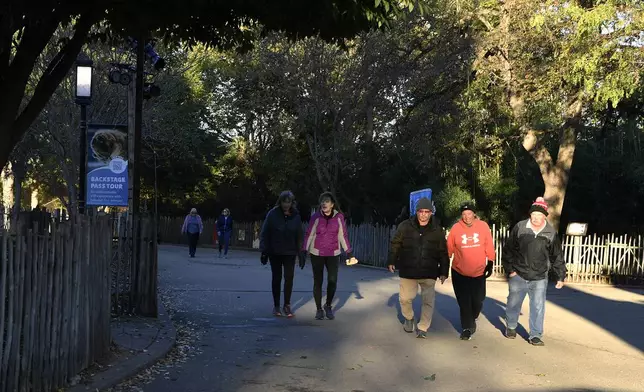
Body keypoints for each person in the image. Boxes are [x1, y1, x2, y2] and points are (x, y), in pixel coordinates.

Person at [502, 197, 566, 346]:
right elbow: (508, 250)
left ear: (545, 215)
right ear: (530, 214)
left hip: (539, 277)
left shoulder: (550, 232)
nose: (536, 218)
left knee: (538, 306)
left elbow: (557, 255)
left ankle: (535, 335)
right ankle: (511, 326)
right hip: (519, 273)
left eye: (539, 215)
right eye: (534, 214)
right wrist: (511, 270)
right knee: (513, 303)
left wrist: (560, 275)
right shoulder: (520, 227)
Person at [387, 197, 449, 339]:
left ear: (431, 213)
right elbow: (395, 244)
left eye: (427, 212)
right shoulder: (405, 226)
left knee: (428, 301)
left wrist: (444, 271)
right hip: (408, 270)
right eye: (421, 211)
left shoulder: (437, 230)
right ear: (417, 212)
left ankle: (423, 327)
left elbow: (443, 252)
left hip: (429, 271)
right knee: (404, 299)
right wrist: (391, 260)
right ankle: (409, 318)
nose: (424, 214)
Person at [447, 201, 496, 341]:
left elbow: (489, 244)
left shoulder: (483, 226)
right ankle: (467, 327)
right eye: (464, 214)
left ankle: (472, 316)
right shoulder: (456, 228)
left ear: (474, 214)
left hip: (478, 272)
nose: (467, 217)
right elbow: (449, 247)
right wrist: (444, 264)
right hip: (459, 271)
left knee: (478, 300)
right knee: (464, 302)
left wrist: (490, 262)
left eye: (469, 213)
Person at [302, 192, 354, 320]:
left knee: (332, 281)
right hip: (317, 253)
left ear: (332, 204)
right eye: (322, 201)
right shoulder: (316, 217)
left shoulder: (339, 217)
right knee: (318, 281)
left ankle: (328, 305)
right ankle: (319, 309)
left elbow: (343, 235)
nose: (324, 203)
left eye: (327, 201)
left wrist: (349, 252)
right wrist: (304, 250)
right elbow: (310, 234)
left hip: (333, 253)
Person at [260, 191, 306, 318]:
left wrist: (301, 253)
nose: (286, 204)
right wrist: (264, 250)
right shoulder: (273, 214)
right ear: (280, 202)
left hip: (290, 251)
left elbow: (299, 235)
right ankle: (276, 306)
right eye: (284, 202)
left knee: (289, 277)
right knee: (277, 278)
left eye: (288, 202)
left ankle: (287, 304)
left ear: (292, 203)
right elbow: (265, 232)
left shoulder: (296, 216)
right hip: (275, 251)